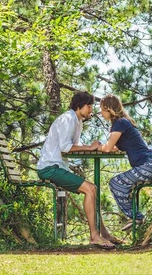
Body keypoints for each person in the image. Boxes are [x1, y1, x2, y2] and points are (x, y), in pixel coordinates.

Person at [37, 91, 120, 249]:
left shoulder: (77, 121)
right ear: (79, 106)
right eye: (89, 106)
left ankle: (104, 234)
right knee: (89, 189)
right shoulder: (68, 119)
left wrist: (94, 147)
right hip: (49, 168)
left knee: (92, 189)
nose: (91, 110)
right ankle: (95, 237)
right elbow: (66, 148)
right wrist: (90, 147)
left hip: (57, 167)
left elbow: (74, 147)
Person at [97, 94, 152, 231]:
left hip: (149, 166)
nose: (100, 113)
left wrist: (97, 146)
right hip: (151, 166)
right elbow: (115, 147)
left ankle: (136, 217)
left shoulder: (120, 123)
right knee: (120, 183)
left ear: (109, 109)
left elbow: (108, 148)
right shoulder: (122, 123)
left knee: (116, 183)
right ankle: (135, 217)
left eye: (102, 109)